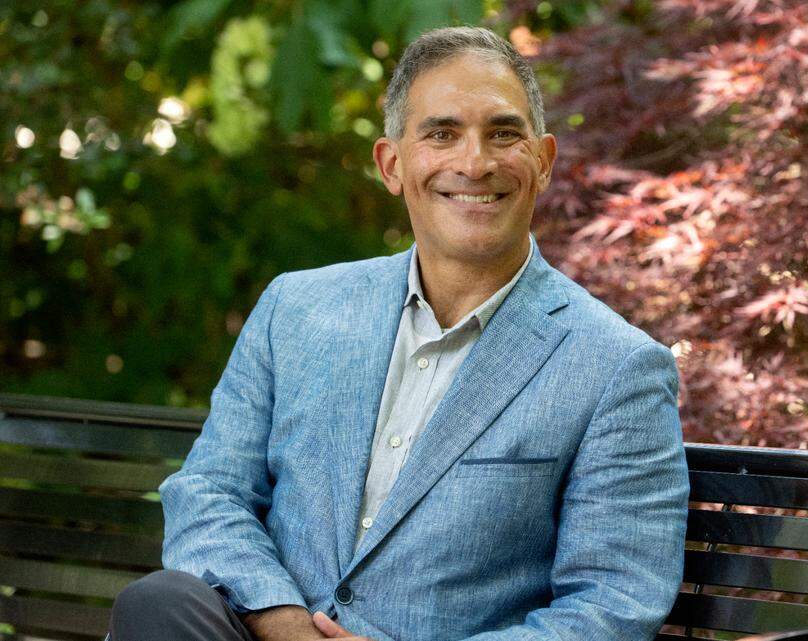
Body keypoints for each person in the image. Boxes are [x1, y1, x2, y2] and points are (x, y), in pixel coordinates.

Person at [108, 25, 688, 641]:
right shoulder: (296, 308)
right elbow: (208, 494)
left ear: (542, 163)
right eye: (441, 133)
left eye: (503, 134)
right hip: (265, 634)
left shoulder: (615, 367)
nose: (474, 162)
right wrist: (284, 624)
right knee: (162, 604)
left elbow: (612, 605)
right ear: (392, 164)